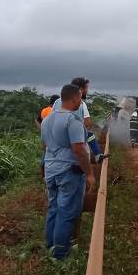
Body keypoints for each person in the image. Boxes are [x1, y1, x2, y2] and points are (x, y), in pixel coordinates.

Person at [41, 84, 95, 259]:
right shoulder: (73, 120)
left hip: (50, 170)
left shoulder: (47, 119)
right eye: (80, 98)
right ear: (73, 99)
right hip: (68, 172)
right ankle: (60, 254)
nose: (81, 101)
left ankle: (51, 246)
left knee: (53, 208)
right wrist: (90, 174)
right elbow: (79, 150)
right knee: (67, 211)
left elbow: (45, 146)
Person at [53, 77, 103, 161]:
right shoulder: (81, 103)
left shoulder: (57, 102)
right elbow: (87, 123)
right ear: (80, 89)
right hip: (75, 144)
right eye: (86, 88)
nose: (87, 90)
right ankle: (97, 156)